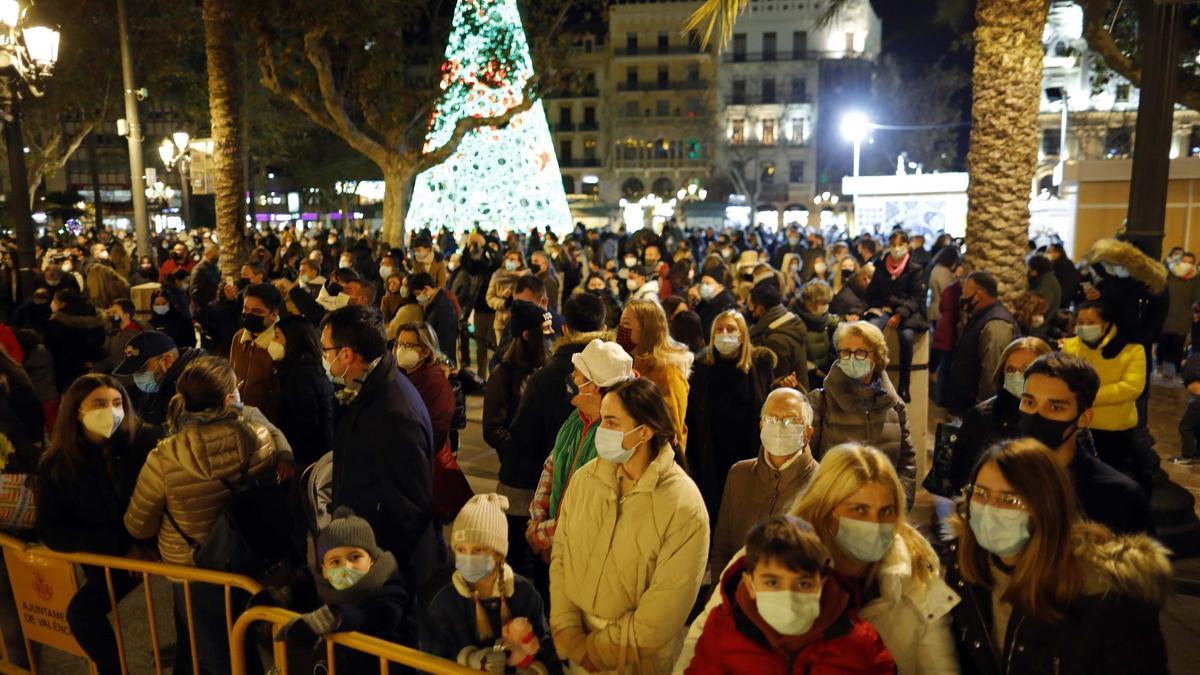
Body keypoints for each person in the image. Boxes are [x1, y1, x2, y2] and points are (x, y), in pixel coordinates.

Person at [678, 443, 959, 675]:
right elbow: (700, 645)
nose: (875, 523)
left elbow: (939, 661)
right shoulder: (770, 557)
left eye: (886, 511)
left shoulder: (918, 566)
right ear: (827, 509)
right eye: (859, 509)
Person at [945, 439, 1169, 674]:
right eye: (980, 493)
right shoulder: (965, 564)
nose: (990, 508)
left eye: (1010, 499)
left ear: (1047, 507)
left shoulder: (1105, 594)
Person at [123, 356, 277, 675]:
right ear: (228, 398)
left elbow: (140, 523)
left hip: (193, 567)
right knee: (246, 635)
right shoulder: (258, 437)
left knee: (214, 647)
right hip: (247, 555)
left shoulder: (164, 456)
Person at [550, 378, 708, 674]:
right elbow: (561, 555)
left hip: (635, 660)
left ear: (644, 432)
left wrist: (597, 652)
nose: (601, 430)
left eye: (611, 422)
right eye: (602, 420)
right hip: (575, 649)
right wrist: (567, 629)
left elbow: (667, 606)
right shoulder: (587, 480)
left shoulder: (682, 505)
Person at [36, 375, 161, 675]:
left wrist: (142, 544)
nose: (111, 411)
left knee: (191, 611)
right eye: (99, 404)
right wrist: (120, 547)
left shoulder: (145, 443)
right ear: (77, 410)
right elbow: (52, 531)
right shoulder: (56, 465)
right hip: (109, 557)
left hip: (155, 546)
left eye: (117, 403)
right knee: (83, 614)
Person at [321, 304, 441, 590]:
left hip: (382, 565)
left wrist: (377, 567)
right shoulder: (366, 390)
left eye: (326, 351)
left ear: (347, 355)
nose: (324, 358)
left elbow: (408, 508)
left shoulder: (393, 413)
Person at [688, 515, 894, 675]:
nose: (789, 596)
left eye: (803, 583)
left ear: (820, 584)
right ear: (750, 584)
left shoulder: (860, 642)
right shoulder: (723, 632)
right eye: (773, 582)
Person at [1017, 352, 1153, 534]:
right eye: (1029, 402)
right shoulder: (998, 475)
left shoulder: (1117, 495)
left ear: (1083, 418)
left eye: (1055, 407)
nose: (1037, 415)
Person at [527, 339, 634, 564]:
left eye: (577, 375)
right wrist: (538, 520)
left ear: (594, 385)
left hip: (586, 556)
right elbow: (551, 467)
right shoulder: (576, 418)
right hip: (555, 546)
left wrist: (542, 535)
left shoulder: (614, 440)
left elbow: (592, 511)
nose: (571, 379)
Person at [274, 507, 415, 675]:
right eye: (335, 562)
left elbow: (378, 617)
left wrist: (335, 616)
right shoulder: (327, 589)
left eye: (355, 557)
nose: (346, 567)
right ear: (324, 570)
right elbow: (307, 593)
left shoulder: (390, 589)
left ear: (371, 559)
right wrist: (281, 596)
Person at [424, 494, 556, 671]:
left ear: (498, 554)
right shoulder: (444, 603)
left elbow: (545, 648)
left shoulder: (525, 594)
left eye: (478, 549)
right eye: (461, 549)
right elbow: (429, 663)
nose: (468, 557)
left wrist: (531, 665)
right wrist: (468, 661)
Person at [710, 388, 819, 575]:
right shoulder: (739, 475)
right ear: (761, 426)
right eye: (772, 419)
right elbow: (722, 549)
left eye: (790, 420)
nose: (779, 426)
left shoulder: (822, 484)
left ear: (807, 433)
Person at [808, 321, 916, 504]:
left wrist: (900, 503)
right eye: (845, 352)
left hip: (881, 510)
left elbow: (907, 462)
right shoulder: (820, 402)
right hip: (834, 508)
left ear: (877, 356)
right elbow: (809, 462)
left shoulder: (895, 405)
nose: (851, 358)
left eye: (860, 352)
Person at [686, 309, 777, 519]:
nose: (724, 333)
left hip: (749, 452)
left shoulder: (759, 366)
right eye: (719, 329)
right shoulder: (700, 369)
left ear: (743, 334)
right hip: (711, 454)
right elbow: (692, 417)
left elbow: (769, 405)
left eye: (731, 329)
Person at [484, 301, 551, 576]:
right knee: (517, 552)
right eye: (543, 329)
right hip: (517, 481)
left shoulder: (546, 370)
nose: (549, 334)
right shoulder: (505, 373)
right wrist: (516, 453)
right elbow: (492, 428)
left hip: (544, 478)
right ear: (526, 334)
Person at [1060, 301, 1151, 488]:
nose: (1084, 326)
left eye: (1090, 322)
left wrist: (1087, 395)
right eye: (1081, 321)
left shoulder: (1132, 349)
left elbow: (1131, 387)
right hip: (1078, 425)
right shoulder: (1070, 346)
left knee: (1106, 482)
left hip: (1113, 430)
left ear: (1106, 323)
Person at [949, 337, 1052, 493]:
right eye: (1010, 370)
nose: (1017, 375)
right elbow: (960, 475)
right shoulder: (981, 416)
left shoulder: (1059, 417)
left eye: (1026, 369)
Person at [618, 299, 693, 451]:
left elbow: (673, 428)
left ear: (646, 329)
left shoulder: (668, 372)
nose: (620, 329)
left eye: (626, 324)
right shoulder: (628, 363)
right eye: (620, 323)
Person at [865, 231, 928, 401]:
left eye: (900, 245)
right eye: (893, 245)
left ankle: (904, 386)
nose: (896, 249)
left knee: (906, 337)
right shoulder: (881, 266)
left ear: (907, 246)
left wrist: (900, 314)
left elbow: (917, 298)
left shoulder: (914, 268)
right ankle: (873, 379)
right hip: (884, 309)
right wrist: (871, 308)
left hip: (907, 312)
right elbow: (872, 292)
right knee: (872, 332)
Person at [945, 271, 1018, 413]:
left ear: (978, 296)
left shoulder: (996, 324)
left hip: (980, 408)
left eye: (965, 293)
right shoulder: (981, 316)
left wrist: (984, 410)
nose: (962, 298)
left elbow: (991, 373)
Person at [272, 316, 335, 471]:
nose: (273, 341)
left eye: (277, 336)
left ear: (293, 340)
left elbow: (305, 426)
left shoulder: (300, 376)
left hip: (304, 459)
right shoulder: (304, 368)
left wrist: (288, 457)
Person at [394, 322, 456, 455]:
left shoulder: (435, 384)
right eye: (400, 344)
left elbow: (436, 432)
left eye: (409, 345)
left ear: (426, 351)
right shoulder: (398, 376)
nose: (402, 349)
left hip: (419, 458)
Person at [229, 283, 284, 423]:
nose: (248, 315)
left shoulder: (283, 343)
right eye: (245, 309)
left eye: (256, 312)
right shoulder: (239, 338)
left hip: (269, 423)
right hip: (239, 418)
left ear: (273, 314)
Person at [43, 289, 108, 391]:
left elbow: (51, 345)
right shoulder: (95, 317)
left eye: (54, 301)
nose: (52, 303)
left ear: (63, 304)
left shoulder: (57, 322)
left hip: (67, 368)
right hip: (96, 364)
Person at [747, 282, 808, 384]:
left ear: (760, 309)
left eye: (751, 308)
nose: (750, 313)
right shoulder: (789, 325)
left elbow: (776, 380)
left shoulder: (775, 339)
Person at [791, 280, 840, 390]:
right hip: (807, 377)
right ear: (812, 303)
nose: (825, 307)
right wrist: (813, 369)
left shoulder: (824, 318)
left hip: (824, 373)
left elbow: (835, 321)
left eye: (826, 303)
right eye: (823, 303)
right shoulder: (795, 322)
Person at [1160, 251, 1199, 373]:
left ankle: (1177, 370)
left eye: (1190, 262)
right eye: (1184, 261)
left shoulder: (1196, 278)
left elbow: (1196, 298)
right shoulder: (1169, 273)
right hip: (1166, 314)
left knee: (1178, 345)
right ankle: (1159, 366)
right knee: (1163, 343)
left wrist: (1194, 311)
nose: (1186, 264)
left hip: (1183, 316)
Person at [409, 272, 459, 367]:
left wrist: (441, 362)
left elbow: (445, 340)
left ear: (427, 288)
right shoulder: (433, 303)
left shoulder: (443, 306)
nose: (417, 297)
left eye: (418, 294)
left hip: (441, 360)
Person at [486, 249, 528, 347]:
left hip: (520, 323)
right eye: (507, 259)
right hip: (501, 323)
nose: (509, 261)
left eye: (513, 259)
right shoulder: (497, 275)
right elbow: (489, 298)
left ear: (519, 262)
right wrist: (503, 302)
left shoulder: (525, 277)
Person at [692, 269, 737, 336]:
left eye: (707, 283)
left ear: (720, 285)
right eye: (702, 283)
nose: (703, 286)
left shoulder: (725, 303)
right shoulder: (707, 300)